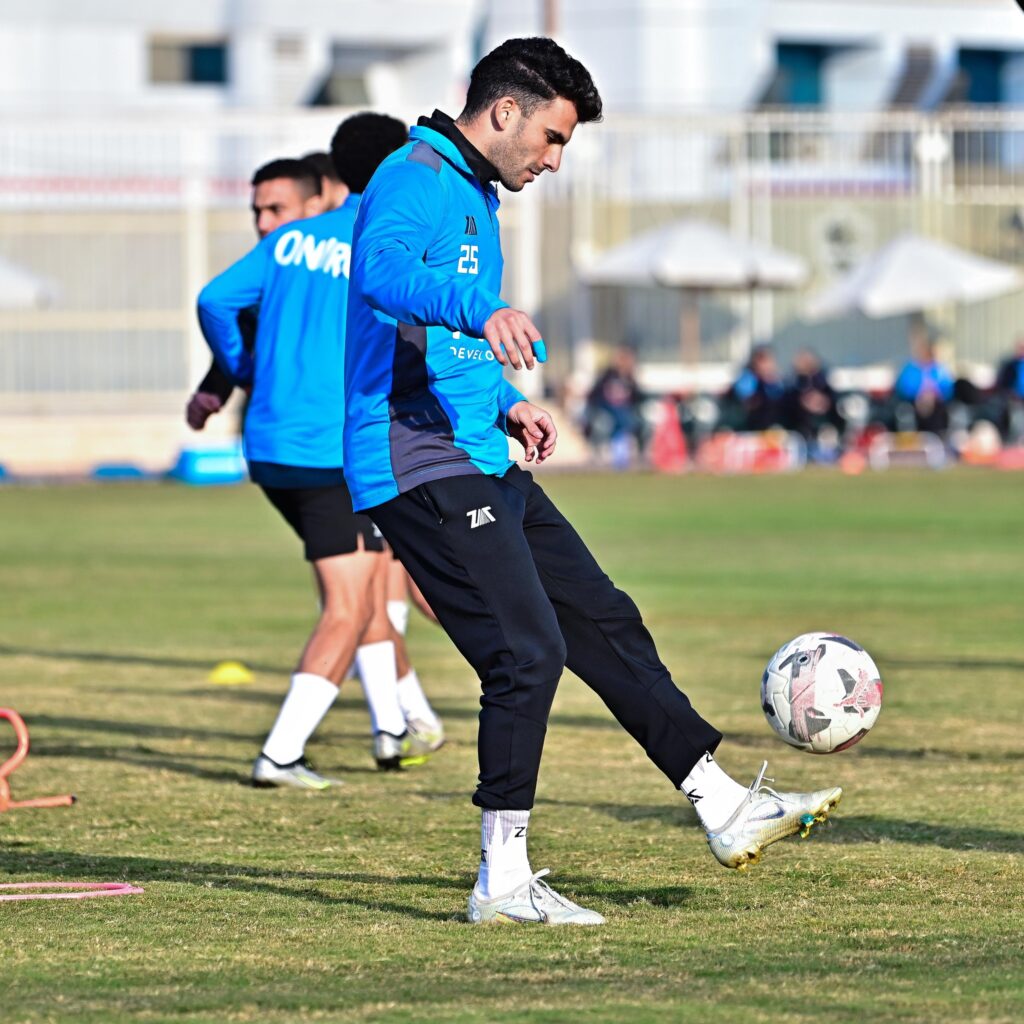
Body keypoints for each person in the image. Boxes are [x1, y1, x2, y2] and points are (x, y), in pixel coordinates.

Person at [342, 37, 842, 926]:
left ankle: (722, 803)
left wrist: (504, 403)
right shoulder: (411, 175)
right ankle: (500, 881)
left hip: (474, 448)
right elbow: (381, 275)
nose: (554, 159)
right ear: (504, 111)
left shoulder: (474, 195)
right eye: (552, 137)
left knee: (601, 619)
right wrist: (480, 309)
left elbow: (444, 350)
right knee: (526, 652)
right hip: (415, 460)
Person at [196, 113, 442, 789]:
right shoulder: (388, 241)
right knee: (352, 605)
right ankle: (281, 754)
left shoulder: (291, 241)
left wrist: (242, 366)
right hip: (337, 450)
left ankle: (395, 725)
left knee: (362, 592)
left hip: (271, 447)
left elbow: (215, 300)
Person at [186, 159, 325, 432]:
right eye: (257, 212)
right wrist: (218, 385)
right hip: (282, 427)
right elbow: (245, 322)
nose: (263, 223)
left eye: (276, 210)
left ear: (314, 207)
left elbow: (214, 300)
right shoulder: (269, 266)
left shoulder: (352, 256)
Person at [584, 345, 646, 469]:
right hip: (607, 412)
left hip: (625, 415)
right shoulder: (607, 376)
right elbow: (594, 396)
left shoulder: (629, 378)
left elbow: (638, 398)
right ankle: (604, 457)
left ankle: (630, 457)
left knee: (637, 423)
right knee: (605, 424)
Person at [783, 348, 845, 456]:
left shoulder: (823, 379)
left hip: (824, 418)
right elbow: (788, 399)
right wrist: (803, 402)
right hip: (800, 421)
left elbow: (833, 398)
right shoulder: (794, 381)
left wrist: (823, 402)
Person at [894, 332, 954, 435]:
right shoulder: (911, 368)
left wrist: (933, 394)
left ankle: (938, 434)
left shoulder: (939, 369)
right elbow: (903, 388)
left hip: (936, 405)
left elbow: (948, 389)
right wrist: (920, 394)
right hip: (914, 403)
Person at [725, 344, 786, 432]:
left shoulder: (778, 383)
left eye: (769, 361)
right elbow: (747, 400)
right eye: (762, 361)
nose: (766, 365)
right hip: (747, 431)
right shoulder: (747, 379)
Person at [994, 338, 1024, 442]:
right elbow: (1002, 382)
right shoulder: (1010, 365)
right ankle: (1015, 439)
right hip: (1014, 398)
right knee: (1015, 416)